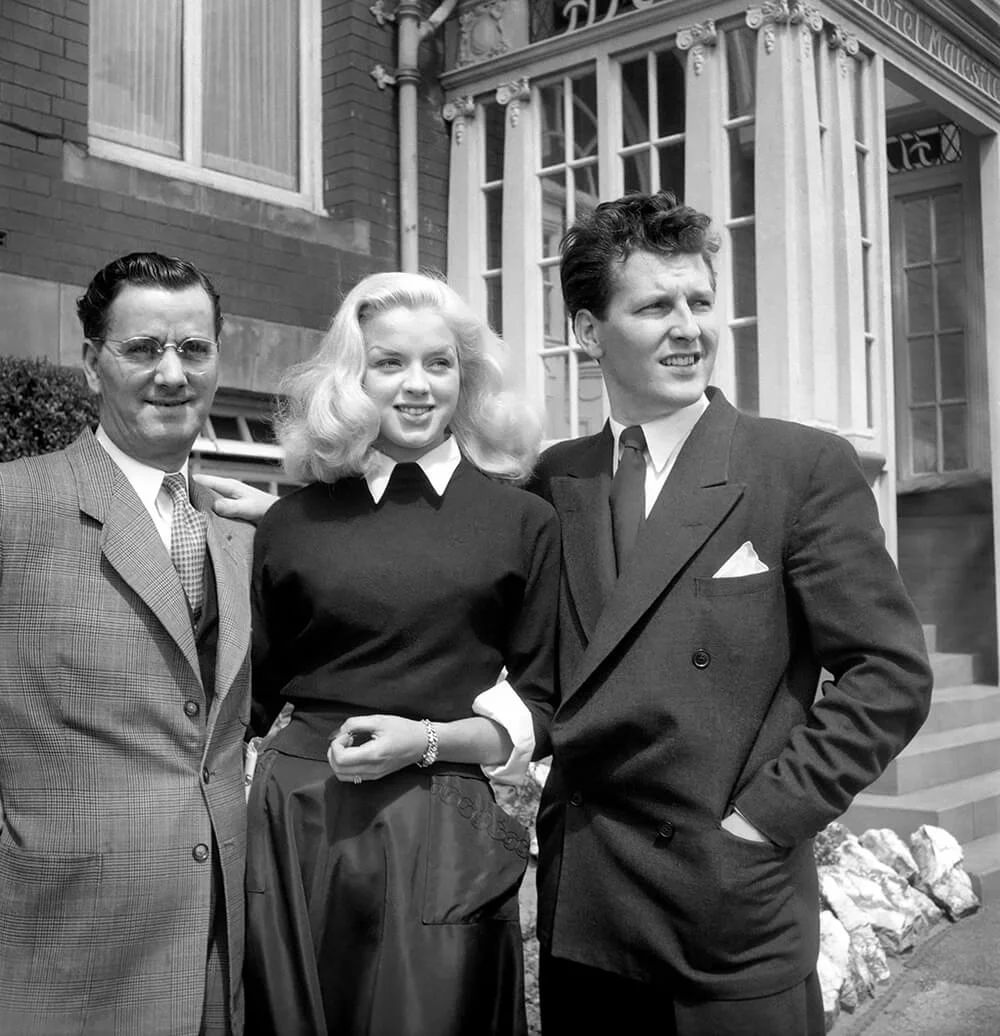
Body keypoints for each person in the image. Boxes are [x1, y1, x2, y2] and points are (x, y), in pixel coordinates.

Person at [529, 191, 933, 1035]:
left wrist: (764, 822)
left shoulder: (798, 466)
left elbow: (888, 674)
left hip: (726, 912)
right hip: (589, 908)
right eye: (655, 307)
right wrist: (293, 517)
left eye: (701, 302)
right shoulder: (555, 479)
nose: (690, 329)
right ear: (588, 331)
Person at [244, 271, 559, 1036]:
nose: (417, 386)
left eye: (438, 363)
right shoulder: (291, 522)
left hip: (444, 825)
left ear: (467, 377)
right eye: (389, 363)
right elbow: (247, 696)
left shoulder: (523, 522)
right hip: (302, 819)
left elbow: (545, 705)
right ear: (352, 377)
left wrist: (424, 741)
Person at [0, 253, 253, 1035]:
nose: (172, 374)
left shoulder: (240, 530)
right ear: (91, 363)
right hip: (60, 955)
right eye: (143, 349)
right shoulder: (12, 506)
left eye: (194, 349)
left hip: (218, 957)